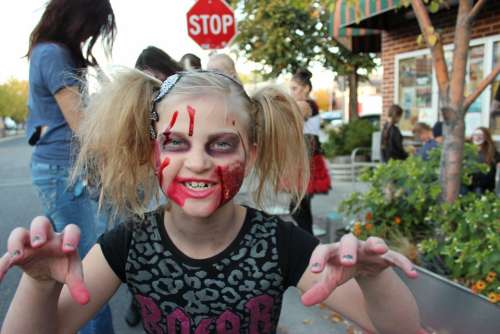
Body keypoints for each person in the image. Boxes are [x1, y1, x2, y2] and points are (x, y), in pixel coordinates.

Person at [0, 70, 421, 334]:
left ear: (251, 154)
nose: (198, 162)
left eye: (221, 145)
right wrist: (39, 284)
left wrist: (372, 276)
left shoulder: (278, 244)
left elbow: (401, 328)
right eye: (176, 143)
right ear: (152, 153)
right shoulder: (128, 245)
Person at [23, 0, 116, 333]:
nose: (95, 33)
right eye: (95, 24)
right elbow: (82, 124)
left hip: (58, 169)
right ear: (77, 18)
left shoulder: (46, 52)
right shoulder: (54, 55)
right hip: (62, 171)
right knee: (88, 270)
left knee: (66, 261)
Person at [289, 68, 331, 235]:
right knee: (301, 205)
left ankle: (307, 239)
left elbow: (286, 118)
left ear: (306, 88)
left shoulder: (305, 105)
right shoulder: (304, 104)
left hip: (307, 158)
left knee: (298, 205)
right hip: (304, 156)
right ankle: (308, 239)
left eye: (294, 88)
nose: (291, 93)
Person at [469, 127, 500, 194]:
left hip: (483, 187)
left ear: (486, 137)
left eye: (480, 135)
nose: (477, 137)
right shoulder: (467, 151)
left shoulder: (492, 152)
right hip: (467, 185)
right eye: (475, 135)